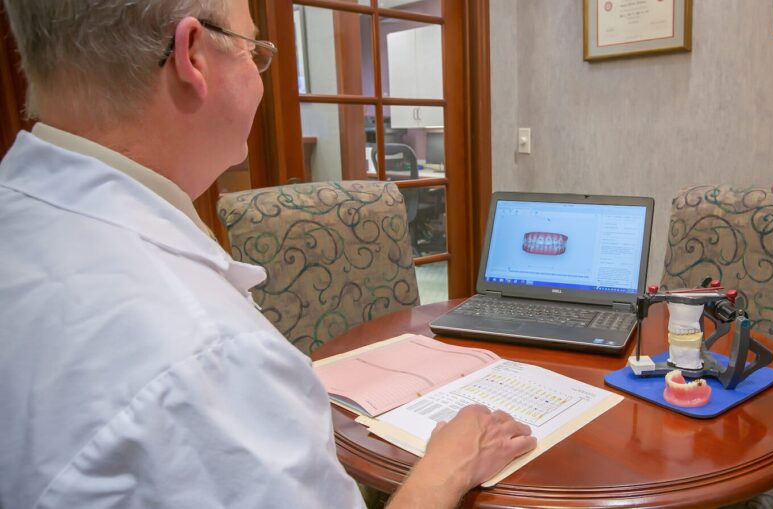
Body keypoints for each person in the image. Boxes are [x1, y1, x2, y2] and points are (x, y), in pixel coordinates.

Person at [0, 1, 536, 507]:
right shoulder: (213, 357)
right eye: (254, 50)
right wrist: (449, 463)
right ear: (192, 57)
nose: (260, 74)